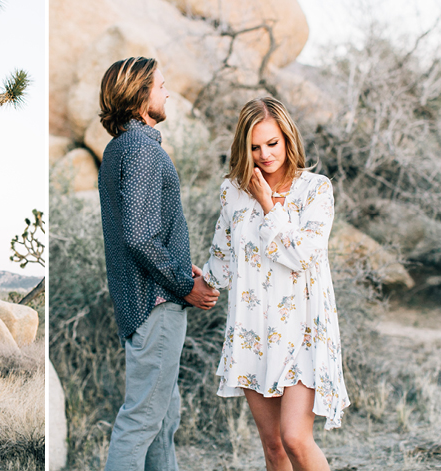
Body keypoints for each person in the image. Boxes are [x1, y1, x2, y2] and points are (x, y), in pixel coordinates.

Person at [202, 97, 350, 471]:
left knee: (296, 440)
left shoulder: (316, 190)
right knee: (273, 449)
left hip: (303, 329)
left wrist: (270, 205)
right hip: (253, 330)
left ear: (288, 139)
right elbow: (223, 256)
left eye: (272, 143)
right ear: (243, 148)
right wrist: (194, 282)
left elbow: (302, 255)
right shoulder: (231, 191)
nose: (265, 154)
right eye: (254, 147)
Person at [97, 56, 220, 471]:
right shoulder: (141, 152)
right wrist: (184, 284)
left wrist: (185, 270)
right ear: (139, 95)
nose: (167, 92)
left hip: (145, 303)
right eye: (161, 85)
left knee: (163, 421)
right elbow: (139, 235)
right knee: (142, 422)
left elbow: (142, 229)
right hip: (157, 304)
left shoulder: (120, 150)